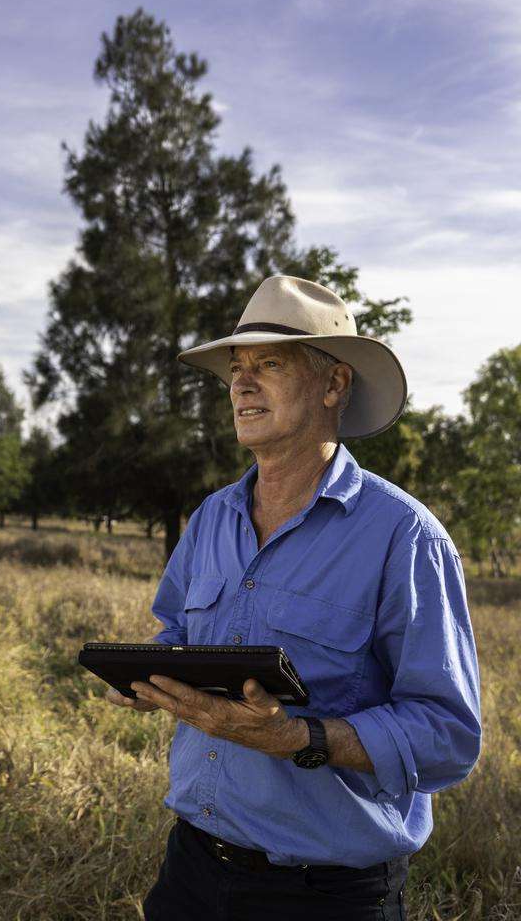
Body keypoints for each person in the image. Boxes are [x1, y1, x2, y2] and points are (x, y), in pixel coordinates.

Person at [106, 275, 481, 920]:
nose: (241, 385)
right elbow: (173, 633)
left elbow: (447, 734)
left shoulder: (404, 536)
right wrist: (149, 675)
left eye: (270, 365)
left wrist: (296, 738)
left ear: (335, 384)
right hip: (193, 869)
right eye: (237, 368)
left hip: (326, 893)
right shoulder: (213, 519)